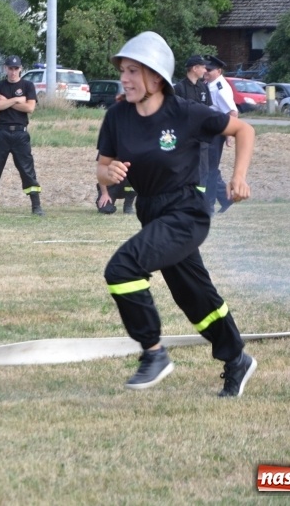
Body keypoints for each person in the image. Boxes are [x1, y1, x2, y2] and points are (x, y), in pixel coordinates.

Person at [96, 31, 257, 397]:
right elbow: (102, 168)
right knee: (195, 296)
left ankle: (153, 353)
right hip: (151, 211)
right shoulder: (117, 116)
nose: (125, 78)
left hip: (187, 210)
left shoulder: (185, 112)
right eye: (123, 70)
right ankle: (237, 359)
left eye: (134, 71)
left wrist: (239, 177)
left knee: (121, 268)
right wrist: (110, 175)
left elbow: (244, 129)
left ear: (156, 77)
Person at [0, 55, 44, 216]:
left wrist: (7, 102)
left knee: (27, 170)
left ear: (20, 69)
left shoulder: (28, 85)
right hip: (1, 132)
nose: (13, 72)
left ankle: (36, 205)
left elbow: (29, 108)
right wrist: (15, 99)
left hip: (20, 133)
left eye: (16, 68)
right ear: (5, 68)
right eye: (10, 68)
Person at [174, 54, 213, 202]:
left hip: (201, 136)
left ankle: (199, 200)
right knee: (184, 167)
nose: (205, 69)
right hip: (185, 137)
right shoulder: (179, 88)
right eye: (203, 67)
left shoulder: (203, 87)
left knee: (203, 168)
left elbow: (208, 110)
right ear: (194, 68)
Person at [204, 55, 237, 215]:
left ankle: (209, 205)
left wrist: (230, 135)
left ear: (219, 71)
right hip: (207, 131)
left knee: (209, 169)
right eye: (205, 69)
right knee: (209, 168)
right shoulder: (209, 84)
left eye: (209, 70)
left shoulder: (220, 87)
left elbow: (232, 112)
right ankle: (225, 198)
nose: (206, 72)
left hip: (216, 132)